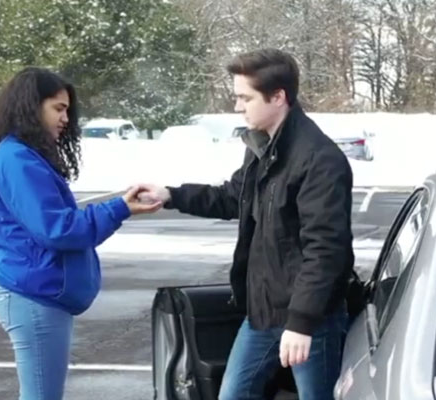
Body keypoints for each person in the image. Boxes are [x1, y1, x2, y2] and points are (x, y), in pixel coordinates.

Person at [140, 49, 354, 399]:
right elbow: (232, 197)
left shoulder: (320, 160)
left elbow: (326, 250)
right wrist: (170, 195)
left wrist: (301, 323)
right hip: (263, 313)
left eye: (245, 97)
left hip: (310, 321)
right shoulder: (262, 147)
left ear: (278, 97)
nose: (238, 106)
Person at [0, 67, 161, 400]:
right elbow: (58, 230)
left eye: (67, 110)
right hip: (33, 298)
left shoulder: (21, 155)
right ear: (31, 106)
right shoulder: (19, 159)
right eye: (58, 109)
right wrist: (119, 208)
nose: (65, 118)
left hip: (36, 295)